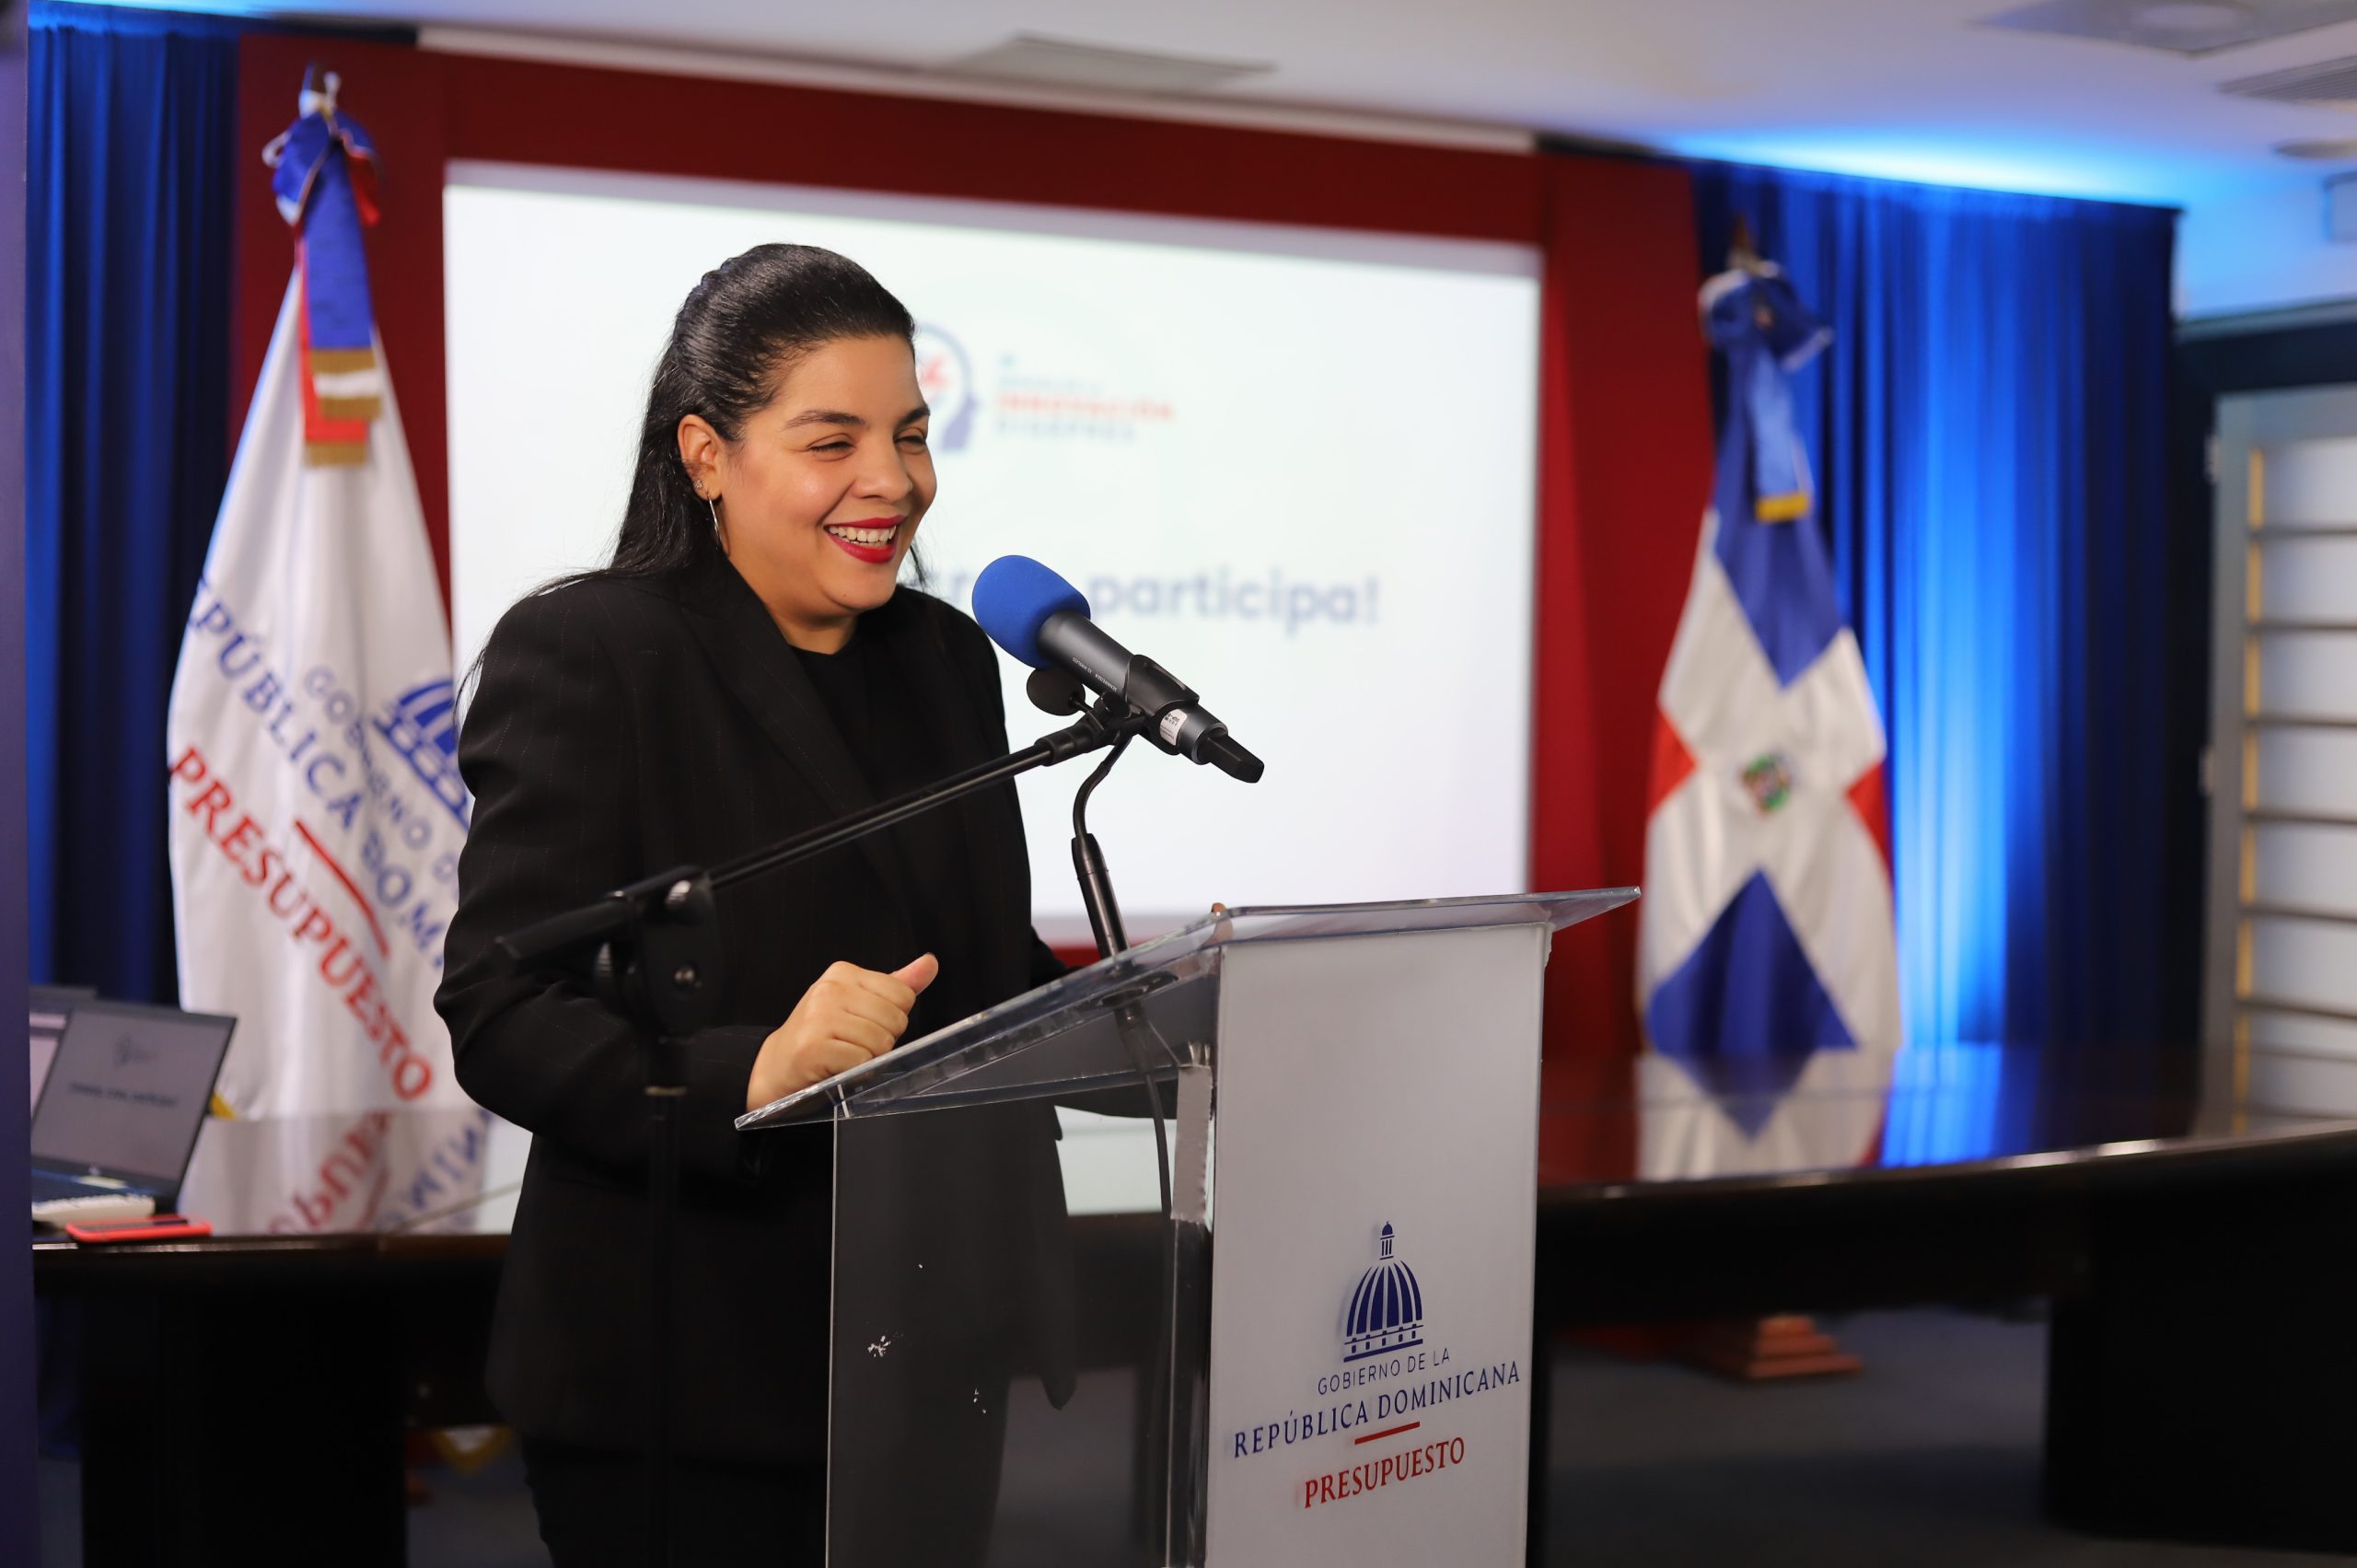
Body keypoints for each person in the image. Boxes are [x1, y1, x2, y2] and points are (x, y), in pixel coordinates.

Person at [435, 244, 1074, 1565]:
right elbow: (502, 1008)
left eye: (911, 435)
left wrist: (1170, 1020)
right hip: (685, 1380)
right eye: (833, 441)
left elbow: (973, 954)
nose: (891, 480)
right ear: (707, 455)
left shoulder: (948, 659)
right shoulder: (592, 652)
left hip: (932, 1352)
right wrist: (755, 1071)